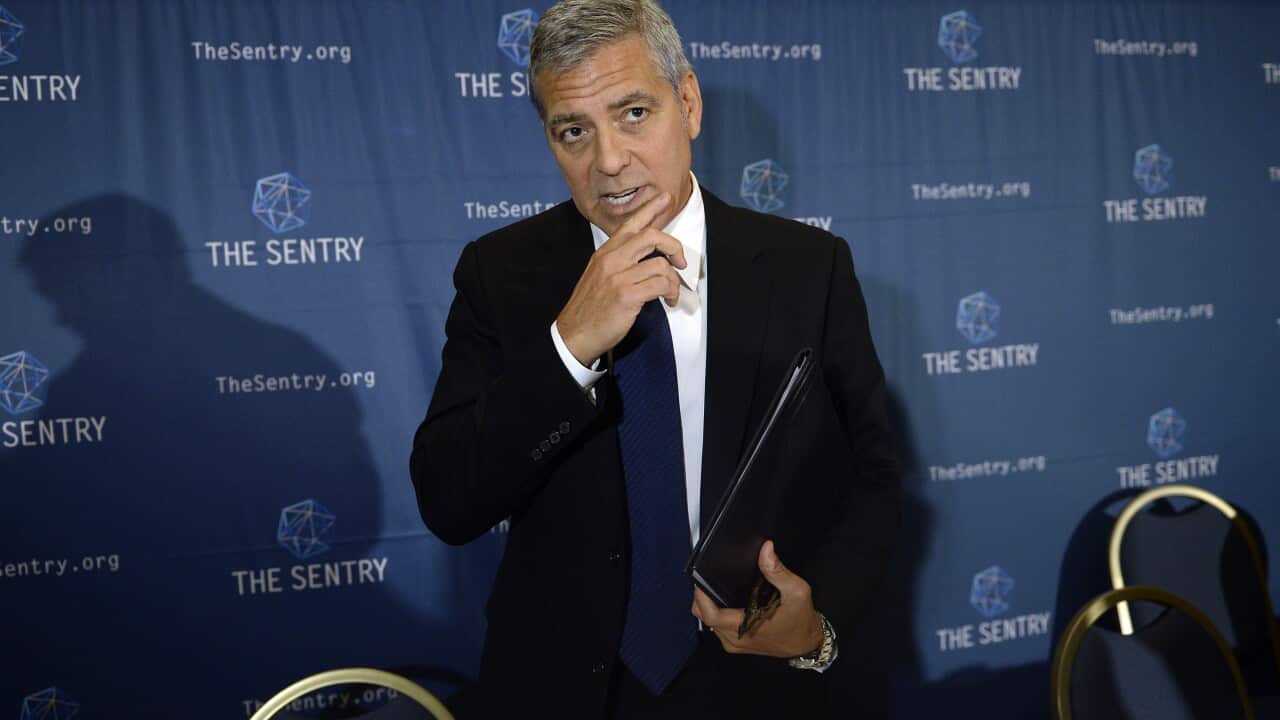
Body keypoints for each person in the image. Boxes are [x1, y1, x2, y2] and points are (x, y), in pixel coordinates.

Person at [409, 1, 900, 716]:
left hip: (754, 680)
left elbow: (874, 478)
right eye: (573, 131)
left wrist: (816, 625)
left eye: (633, 112)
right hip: (561, 691)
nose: (607, 160)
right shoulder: (498, 273)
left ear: (689, 103)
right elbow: (449, 500)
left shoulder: (808, 266)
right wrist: (569, 345)